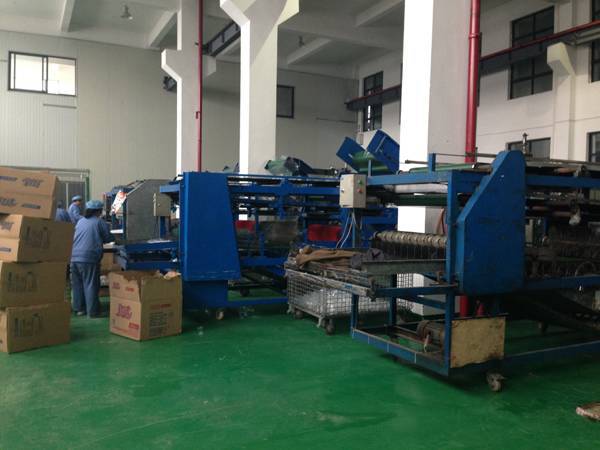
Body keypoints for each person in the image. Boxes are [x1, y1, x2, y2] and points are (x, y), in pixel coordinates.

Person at [70, 200, 113, 317]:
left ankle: (79, 309)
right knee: (90, 284)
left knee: (77, 285)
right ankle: (92, 312)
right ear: (99, 211)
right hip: (88, 258)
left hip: (74, 257)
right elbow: (108, 238)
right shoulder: (99, 222)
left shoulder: (80, 221)